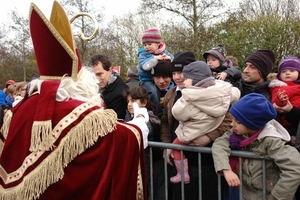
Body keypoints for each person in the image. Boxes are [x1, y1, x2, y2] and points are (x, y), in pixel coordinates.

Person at [0, 2, 147, 200]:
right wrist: (139, 121)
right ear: (81, 80)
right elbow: (123, 140)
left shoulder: (20, 109)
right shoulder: (85, 117)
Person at [161, 51, 233, 200]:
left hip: (207, 160)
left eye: (181, 72)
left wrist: (208, 137)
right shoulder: (171, 94)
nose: (177, 77)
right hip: (181, 158)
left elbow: (228, 121)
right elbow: (166, 123)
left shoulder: (214, 93)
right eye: (173, 73)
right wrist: (167, 145)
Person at [212, 93, 300, 200]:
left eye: (238, 121)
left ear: (252, 124)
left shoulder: (272, 140)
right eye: (233, 119)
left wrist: (276, 196)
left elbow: (295, 168)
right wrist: (226, 170)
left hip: (266, 194)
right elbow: (220, 144)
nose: (232, 124)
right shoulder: (236, 134)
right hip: (244, 193)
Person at [170, 61, 240, 184]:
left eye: (186, 78)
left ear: (195, 80)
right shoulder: (221, 92)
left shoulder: (189, 96)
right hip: (211, 128)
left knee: (175, 146)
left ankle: (182, 174)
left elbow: (177, 112)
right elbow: (236, 94)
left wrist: (184, 98)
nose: (183, 81)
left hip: (192, 132)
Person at [123, 86, 161, 199]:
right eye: (128, 101)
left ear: (143, 102)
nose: (130, 104)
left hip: (147, 161)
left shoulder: (149, 117)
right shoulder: (129, 116)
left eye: (133, 101)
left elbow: (146, 131)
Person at [138, 28, 174, 112]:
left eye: (149, 44)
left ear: (158, 44)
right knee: (153, 93)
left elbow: (173, 59)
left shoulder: (163, 51)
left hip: (157, 79)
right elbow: (144, 66)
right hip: (146, 79)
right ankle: (158, 111)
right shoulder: (143, 54)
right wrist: (155, 58)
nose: (146, 47)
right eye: (145, 45)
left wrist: (169, 58)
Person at [269, 56, 300, 146]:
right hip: (288, 124)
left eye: (292, 70)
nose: (287, 73)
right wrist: (281, 100)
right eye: (284, 71)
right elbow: (276, 102)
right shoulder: (279, 87)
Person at [89, 54, 129, 119]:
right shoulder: (94, 88)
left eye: (100, 74)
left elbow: (114, 124)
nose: (96, 79)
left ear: (110, 71)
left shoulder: (120, 93)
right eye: (93, 76)